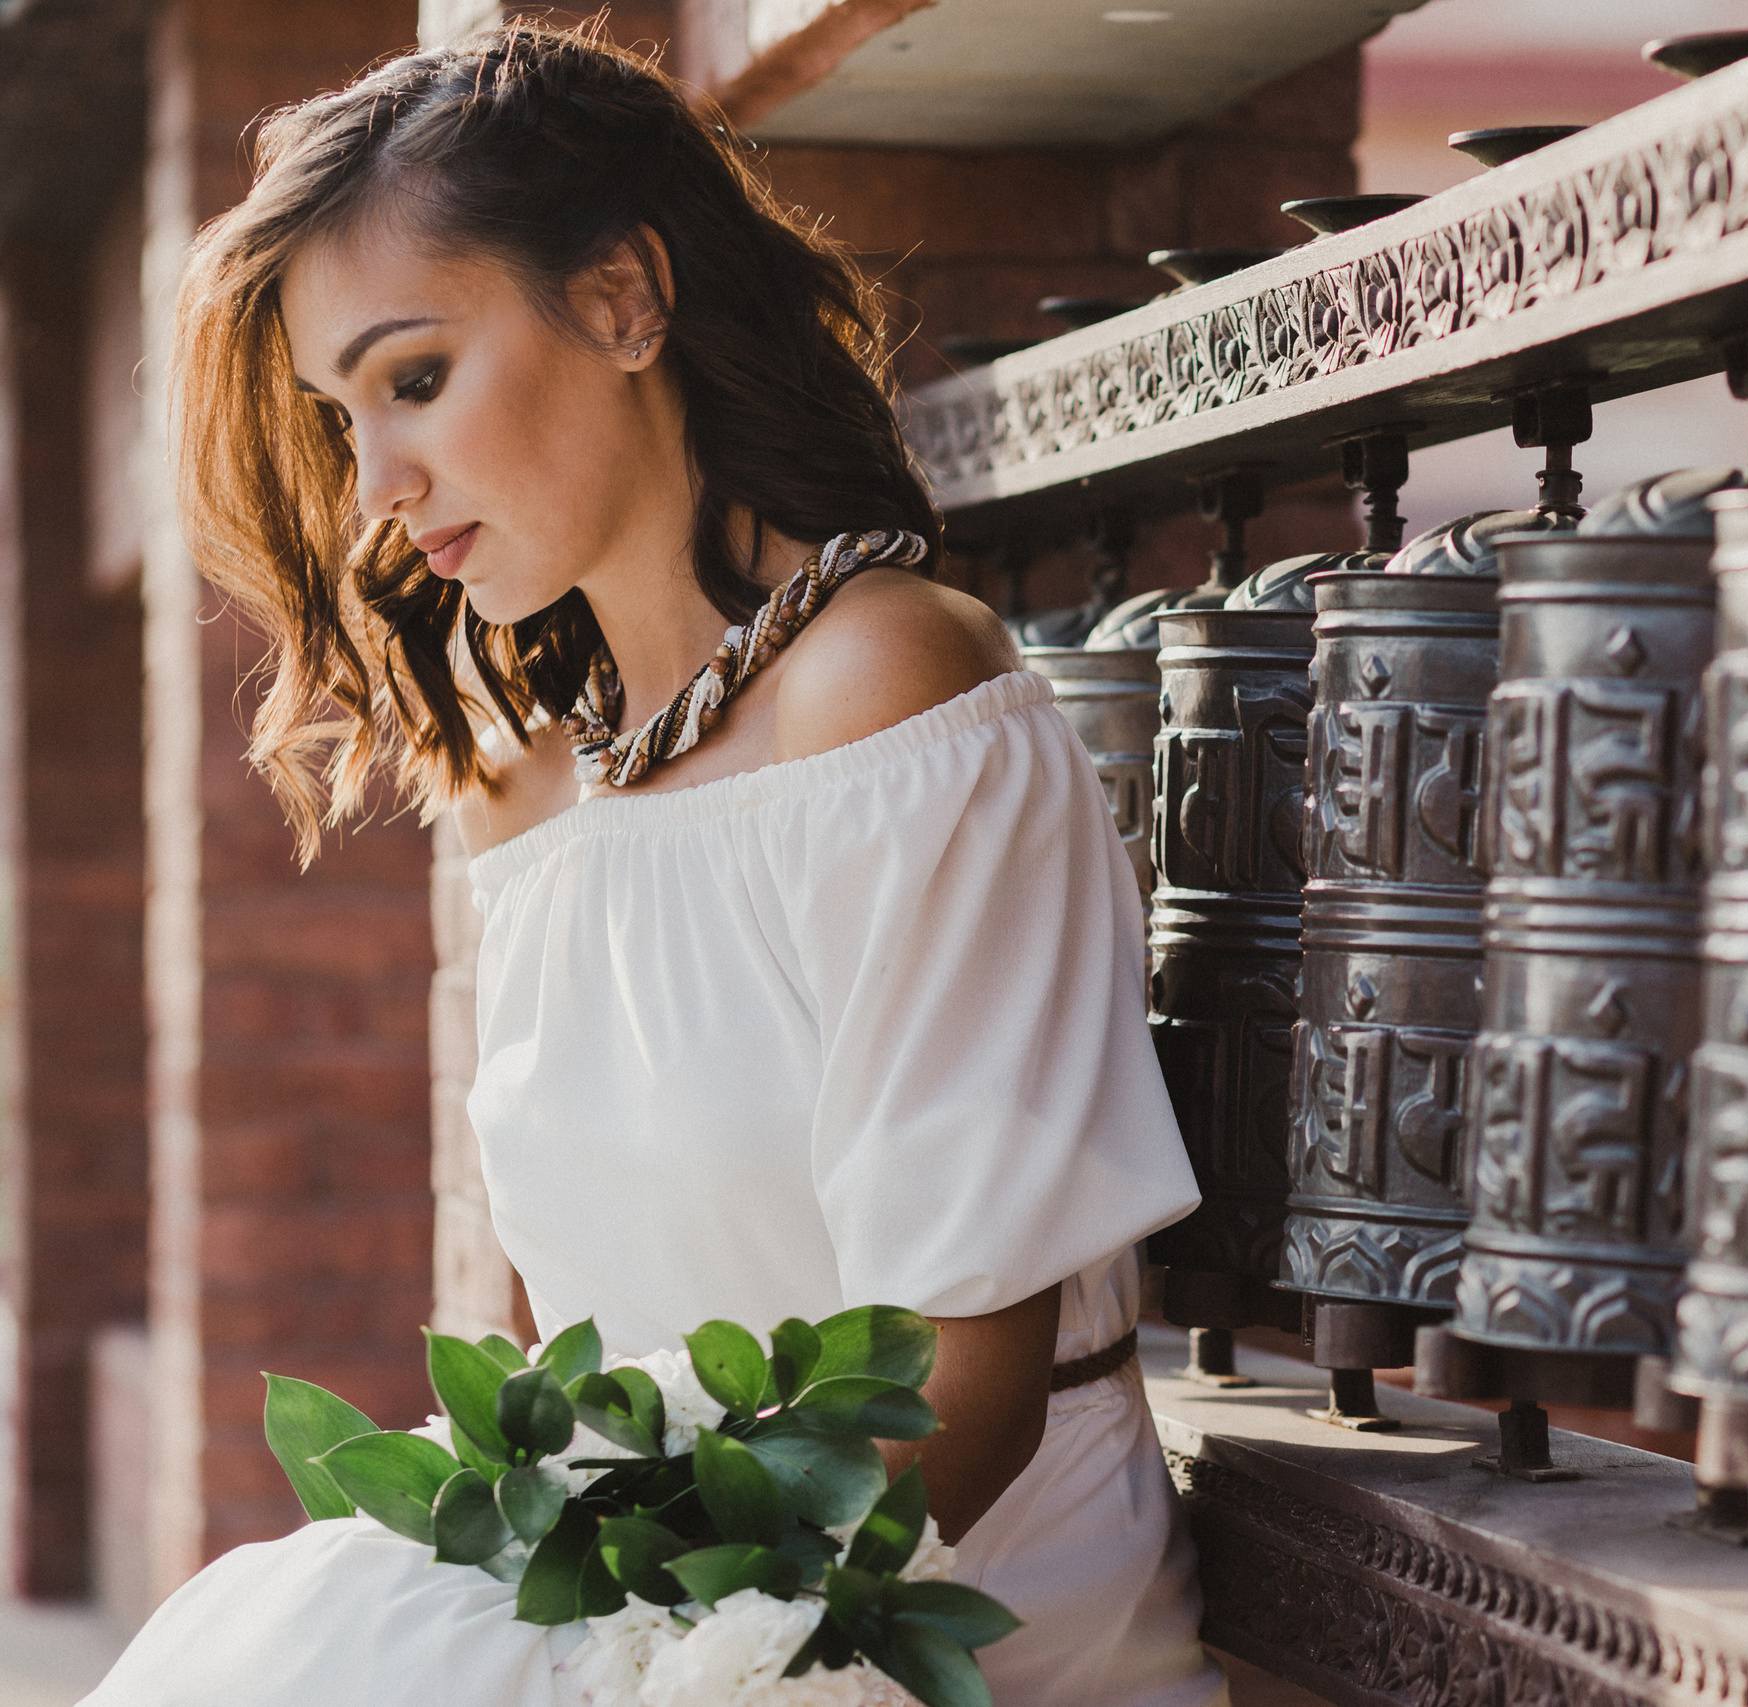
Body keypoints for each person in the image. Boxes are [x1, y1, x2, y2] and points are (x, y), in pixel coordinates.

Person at [83, 23, 1221, 1707]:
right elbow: (574, 1343)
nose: (379, 486)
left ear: (623, 301)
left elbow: (964, 1393)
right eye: (344, 417)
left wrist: (684, 1667)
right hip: (649, 1590)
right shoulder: (526, 788)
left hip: (953, 1610)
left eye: (414, 378)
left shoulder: (887, 691)